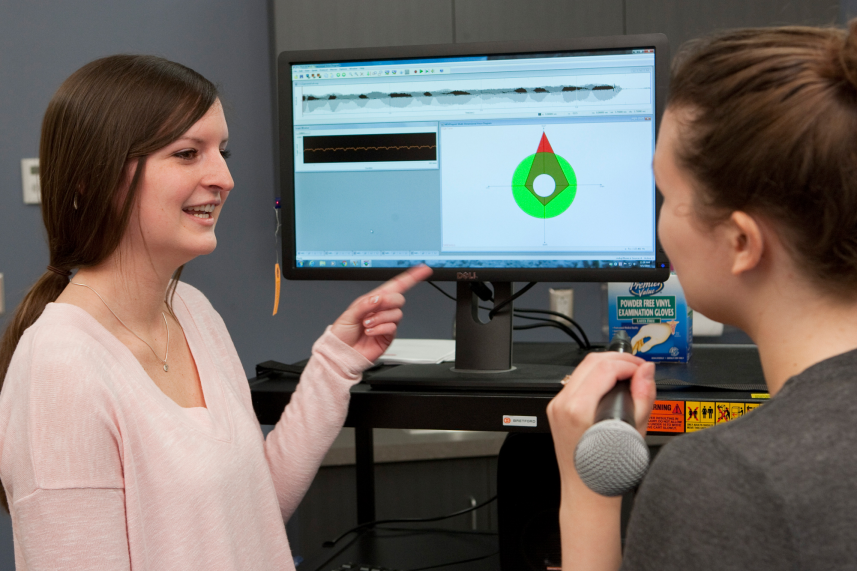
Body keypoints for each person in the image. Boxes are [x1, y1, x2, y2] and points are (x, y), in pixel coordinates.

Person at [0, 55, 431, 570]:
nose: (224, 178)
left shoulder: (192, 312)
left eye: (222, 152)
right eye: (187, 153)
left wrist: (336, 361)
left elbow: (247, 516)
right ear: (93, 180)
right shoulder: (58, 368)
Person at [548, 20, 857, 570]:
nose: (657, 223)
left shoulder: (727, 480)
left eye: (666, 195)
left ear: (741, 241)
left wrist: (587, 483)